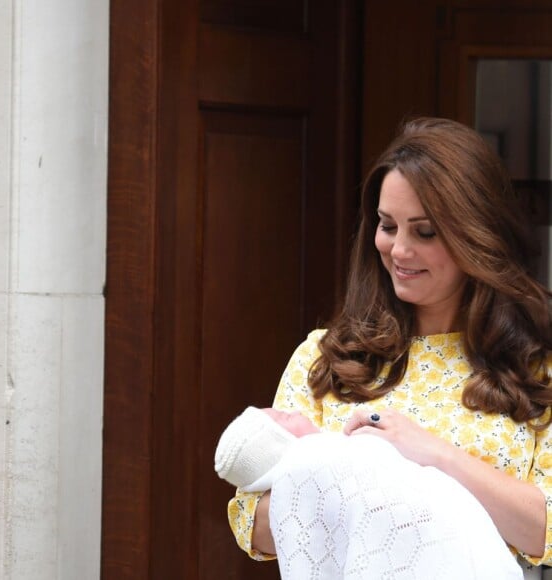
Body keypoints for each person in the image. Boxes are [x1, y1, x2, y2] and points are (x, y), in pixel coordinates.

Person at [224, 117, 552, 575]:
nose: (398, 250)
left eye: (424, 232)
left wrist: (429, 454)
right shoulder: (327, 358)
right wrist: (344, 474)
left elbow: (544, 528)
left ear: (477, 235)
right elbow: (253, 525)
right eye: (387, 225)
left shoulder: (537, 370)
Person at [216, 406, 524, 578]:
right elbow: (248, 519)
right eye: (284, 417)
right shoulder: (315, 453)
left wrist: (435, 453)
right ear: (279, 440)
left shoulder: (533, 367)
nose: (294, 410)